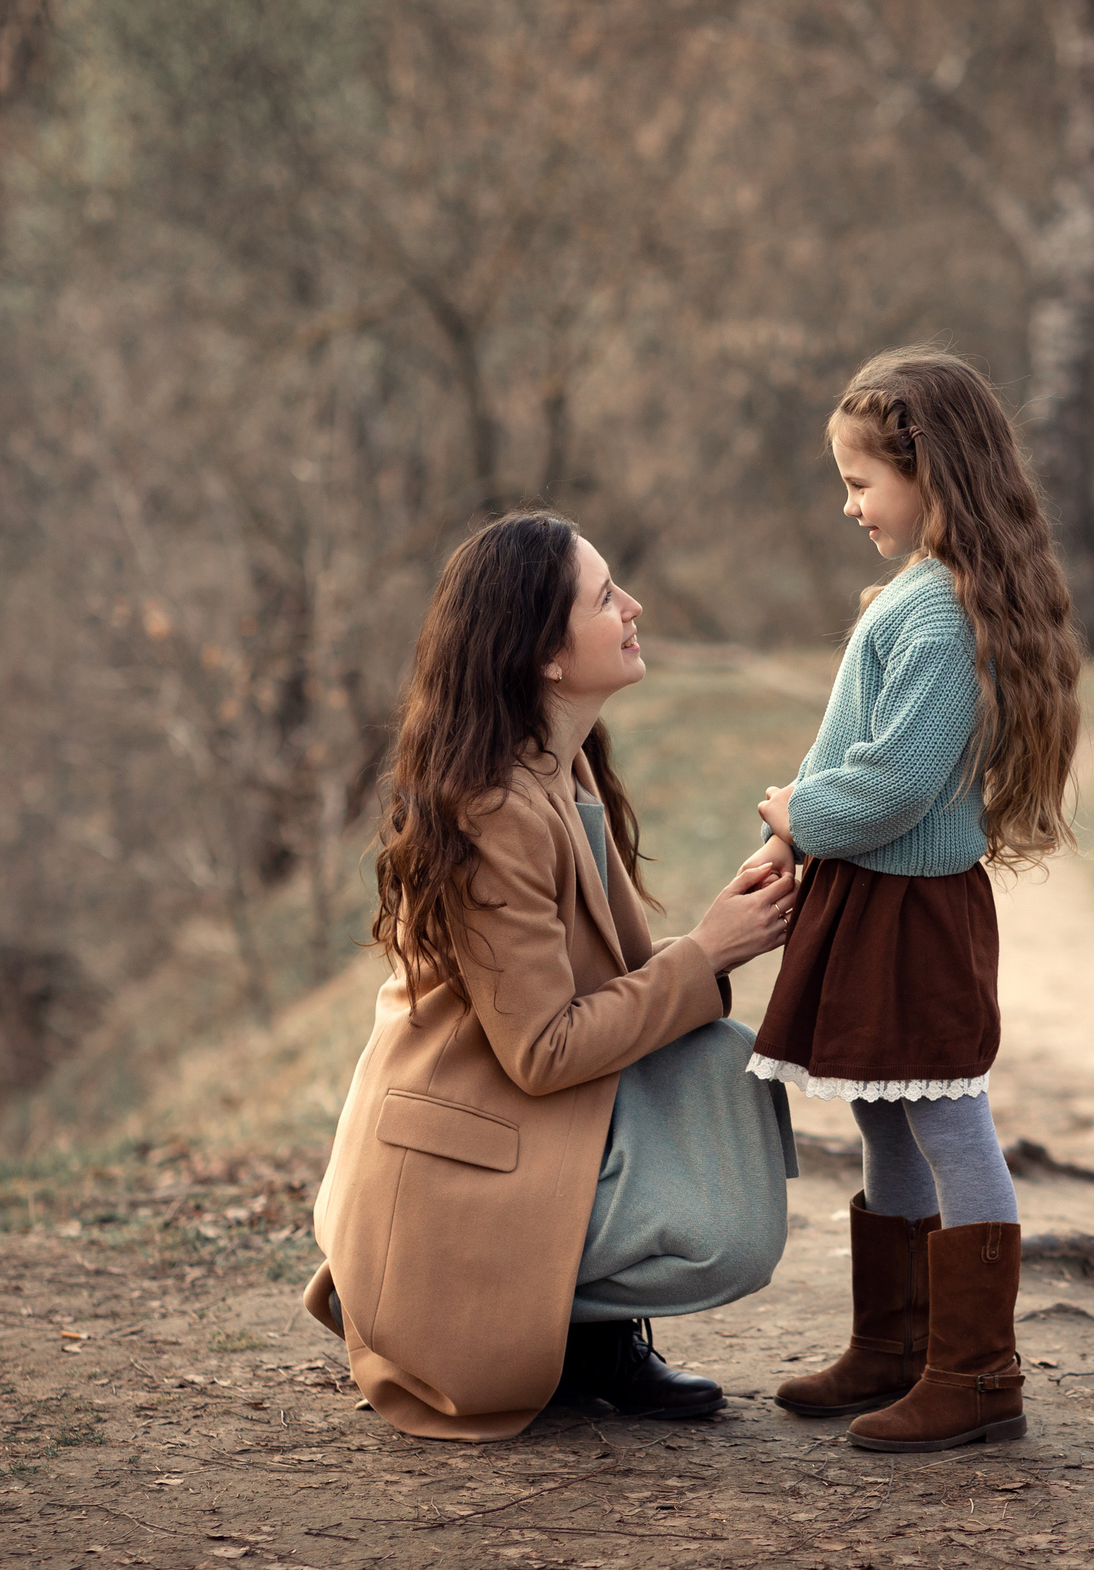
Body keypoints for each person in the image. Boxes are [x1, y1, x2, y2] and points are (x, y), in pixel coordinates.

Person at [302, 510, 800, 1443]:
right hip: (455, 1171)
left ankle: (585, 1335)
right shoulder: (492, 808)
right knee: (724, 1199)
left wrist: (727, 918)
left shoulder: (563, 771)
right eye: (605, 597)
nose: (633, 605)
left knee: (715, 1065)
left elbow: (612, 984)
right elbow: (541, 1048)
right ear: (546, 655)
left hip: (520, 1126)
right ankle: (539, 1326)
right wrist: (706, 952)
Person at [745, 346, 1082, 1453]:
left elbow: (892, 782)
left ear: (928, 473)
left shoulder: (938, 615)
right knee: (884, 1108)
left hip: (914, 912)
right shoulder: (922, 595)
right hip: (874, 899)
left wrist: (797, 812)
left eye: (861, 482)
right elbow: (865, 757)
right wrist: (793, 834)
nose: (850, 506)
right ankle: (892, 1346)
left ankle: (977, 1374)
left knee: (945, 1115)